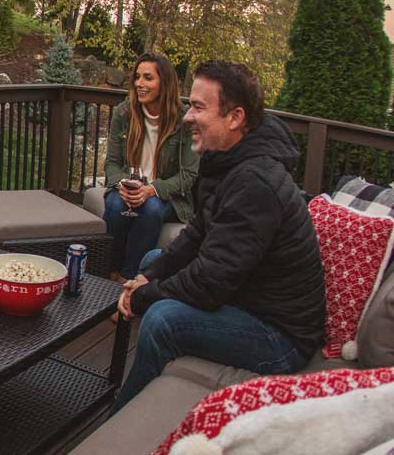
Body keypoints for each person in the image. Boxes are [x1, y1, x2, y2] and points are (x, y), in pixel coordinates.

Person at [111, 60, 326, 414]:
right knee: (151, 261)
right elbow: (197, 234)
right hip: (246, 295)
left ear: (235, 117)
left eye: (197, 107)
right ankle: (152, 374)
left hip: (279, 334)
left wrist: (144, 296)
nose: (186, 117)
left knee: (163, 319)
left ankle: (121, 417)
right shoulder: (228, 159)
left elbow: (212, 279)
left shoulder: (255, 182)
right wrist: (149, 277)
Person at [103, 52, 198, 281]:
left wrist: (152, 189)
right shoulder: (125, 113)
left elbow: (188, 174)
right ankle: (108, 271)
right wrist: (121, 185)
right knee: (116, 204)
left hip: (168, 196)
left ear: (163, 82)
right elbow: (112, 163)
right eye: (137, 77)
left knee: (150, 208)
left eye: (148, 78)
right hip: (129, 187)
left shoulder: (184, 120)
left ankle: (130, 278)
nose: (139, 84)